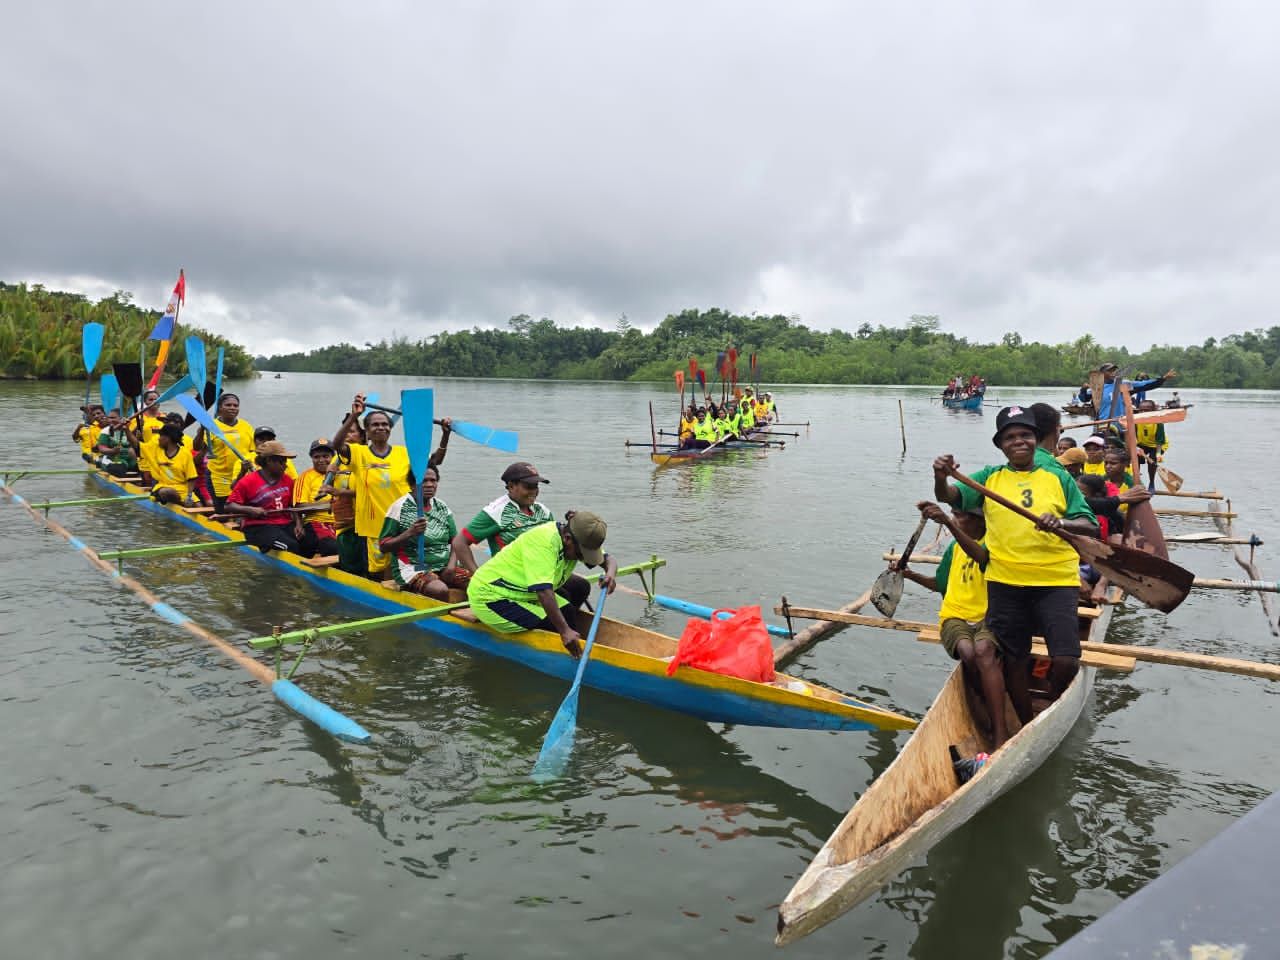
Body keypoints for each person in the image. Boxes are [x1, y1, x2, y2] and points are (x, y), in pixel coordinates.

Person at [933, 405, 1098, 721]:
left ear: (1036, 439)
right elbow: (949, 496)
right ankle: (1025, 718)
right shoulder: (988, 478)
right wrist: (940, 478)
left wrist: (1062, 523)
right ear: (1000, 445)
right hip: (1005, 582)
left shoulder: (1058, 476)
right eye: (1010, 437)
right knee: (1013, 660)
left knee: (1066, 659)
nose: (1018, 441)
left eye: (1025, 434)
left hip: (1055, 582)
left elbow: (1090, 525)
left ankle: (1050, 704)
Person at [901, 501, 1009, 748]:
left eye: (962, 519)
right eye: (955, 518)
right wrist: (910, 575)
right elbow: (940, 585)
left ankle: (999, 728)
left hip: (988, 616)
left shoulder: (995, 546)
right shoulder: (953, 549)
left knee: (983, 651)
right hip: (955, 615)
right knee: (968, 653)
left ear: (980, 521)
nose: (956, 523)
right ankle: (985, 704)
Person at [466, 510, 618, 657]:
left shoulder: (581, 537)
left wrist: (610, 574)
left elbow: (609, 560)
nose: (581, 559)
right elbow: (544, 593)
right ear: (567, 539)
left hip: (524, 591)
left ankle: (575, 648)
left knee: (568, 611)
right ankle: (569, 652)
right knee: (557, 625)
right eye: (580, 555)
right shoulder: (543, 544)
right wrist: (564, 631)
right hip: (490, 595)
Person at [330, 394, 412, 579]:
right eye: (375, 424)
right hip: (373, 525)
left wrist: (445, 436)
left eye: (385, 424)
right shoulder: (359, 453)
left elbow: (432, 464)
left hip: (402, 523)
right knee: (378, 573)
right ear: (366, 431)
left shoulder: (404, 453)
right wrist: (354, 416)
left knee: (402, 569)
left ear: (390, 429)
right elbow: (336, 445)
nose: (381, 427)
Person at [225, 440, 335, 557]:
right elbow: (228, 505)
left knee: (308, 541)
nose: (286, 465)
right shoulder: (248, 481)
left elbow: (293, 507)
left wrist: (298, 524)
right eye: (281, 462)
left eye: (285, 461)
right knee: (291, 546)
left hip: (284, 524)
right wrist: (250, 510)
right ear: (268, 461)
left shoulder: (287, 479)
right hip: (258, 526)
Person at [378, 464, 468, 598]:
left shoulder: (442, 507)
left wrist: (451, 565)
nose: (429, 485)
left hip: (443, 565)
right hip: (412, 567)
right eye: (424, 481)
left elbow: (456, 540)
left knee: (480, 582)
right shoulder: (399, 508)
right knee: (440, 590)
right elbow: (383, 546)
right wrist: (410, 533)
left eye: (433, 480)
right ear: (412, 485)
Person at [452, 462, 555, 570]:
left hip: (541, 570)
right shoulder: (496, 512)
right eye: (528, 487)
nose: (534, 492)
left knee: (574, 584)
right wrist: (478, 576)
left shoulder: (543, 510)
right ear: (511, 486)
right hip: (512, 576)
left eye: (536, 486)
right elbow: (459, 542)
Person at [194, 393, 255, 513]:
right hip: (219, 476)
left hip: (241, 475)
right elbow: (197, 447)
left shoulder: (246, 426)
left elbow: (253, 451)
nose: (233, 408)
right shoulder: (211, 426)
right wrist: (202, 429)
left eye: (235, 405)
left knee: (242, 506)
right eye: (228, 405)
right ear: (220, 408)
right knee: (223, 511)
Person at [292, 438, 341, 558]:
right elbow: (299, 506)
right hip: (317, 522)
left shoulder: (343, 474)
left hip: (341, 523)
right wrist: (328, 505)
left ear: (333, 457)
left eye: (326, 456)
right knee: (333, 548)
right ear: (311, 458)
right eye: (317, 457)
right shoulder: (305, 477)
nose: (321, 460)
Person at [1094, 362, 1176, 424]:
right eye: (1109, 371)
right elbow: (1083, 398)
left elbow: (1145, 385)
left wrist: (1163, 378)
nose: (1113, 373)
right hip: (1102, 424)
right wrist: (1083, 390)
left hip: (1120, 424)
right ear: (1101, 373)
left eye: (1114, 371)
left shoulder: (1124, 384)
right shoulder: (1096, 387)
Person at [140, 423, 202, 505]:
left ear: (167, 438)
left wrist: (189, 496)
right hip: (162, 487)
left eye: (160, 436)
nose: (158, 439)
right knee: (166, 492)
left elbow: (192, 478)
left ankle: (184, 504)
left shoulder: (185, 454)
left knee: (199, 506)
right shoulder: (157, 450)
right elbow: (137, 446)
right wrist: (127, 430)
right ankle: (181, 504)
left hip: (182, 489)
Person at [1134, 399, 1169, 490]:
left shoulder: (1158, 423)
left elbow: (1159, 441)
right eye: (1141, 410)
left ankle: (1152, 483)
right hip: (1142, 443)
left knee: (1152, 461)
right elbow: (1133, 437)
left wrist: (1158, 454)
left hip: (1157, 445)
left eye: (1147, 410)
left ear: (1153, 411)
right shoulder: (1136, 420)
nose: (1143, 412)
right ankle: (1137, 482)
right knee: (1135, 458)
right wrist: (1137, 448)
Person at [95, 410, 137, 477]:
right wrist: (112, 451)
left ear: (122, 419)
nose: (110, 420)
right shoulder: (106, 430)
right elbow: (102, 448)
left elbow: (135, 444)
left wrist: (127, 429)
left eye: (113, 418)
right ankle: (100, 462)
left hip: (130, 458)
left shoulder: (130, 428)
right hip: (113, 457)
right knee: (119, 469)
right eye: (109, 418)